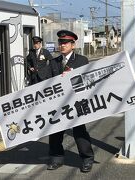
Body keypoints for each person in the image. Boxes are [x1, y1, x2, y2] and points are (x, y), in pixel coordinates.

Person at [47, 30, 94, 173]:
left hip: (76, 102)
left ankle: (87, 159)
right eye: (60, 42)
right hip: (59, 103)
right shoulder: (53, 62)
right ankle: (56, 158)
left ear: (73, 45)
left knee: (79, 131)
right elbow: (47, 82)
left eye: (65, 43)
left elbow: (88, 80)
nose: (62, 45)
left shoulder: (82, 60)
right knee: (55, 131)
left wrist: (72, 76)